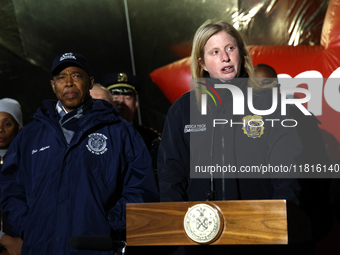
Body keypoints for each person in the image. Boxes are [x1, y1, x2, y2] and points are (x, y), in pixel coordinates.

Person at [157, 20, 304, 255]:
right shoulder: (182, 110)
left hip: (259, 233)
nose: (225, 57)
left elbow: (286, 169)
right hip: (200, 237)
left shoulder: (270, 104)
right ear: (202, 63)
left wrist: (279, 217)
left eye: (230, 48)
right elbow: (170, 173)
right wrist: (177, 224)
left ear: (241, 53)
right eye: (215, 52)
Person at [0, 53, 159, 255]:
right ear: (52, 85)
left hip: (95, 248)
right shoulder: (30, 136)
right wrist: (30, 225)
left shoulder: (119, 132)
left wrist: (106, 223)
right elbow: (11, 189)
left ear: (90, 82)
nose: (68, 83)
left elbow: (141, 189)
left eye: (76, 75)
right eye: (61, 77)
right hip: (40, 248)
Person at [254, 63, 334, 243]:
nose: (263, 92)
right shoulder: (245, 123)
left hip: (300, 212)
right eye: (257, 87)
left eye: (268, 85)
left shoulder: (299, 118)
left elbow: (321, 165)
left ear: (278, 88)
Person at [101, 72, 161, 172]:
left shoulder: (151, 139)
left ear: (136, 104)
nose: (121, 103)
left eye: (127, 98)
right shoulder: (98, 135)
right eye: (115, 98)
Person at [0, 98, 23, 255]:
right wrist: (6, 240)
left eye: (7, 124)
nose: (0, 129)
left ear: (18, 128)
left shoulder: (28, 162)